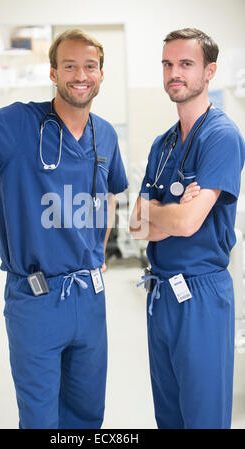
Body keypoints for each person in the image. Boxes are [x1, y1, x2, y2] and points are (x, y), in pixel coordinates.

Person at [0, 28, 128, 429]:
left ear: (101, 74)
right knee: (40, 418)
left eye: (90, 66)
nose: (80, 74)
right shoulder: (20, 123)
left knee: (87, 415)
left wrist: (98, 251)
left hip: (90, 298)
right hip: (36, 299)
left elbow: (111, 193)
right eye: (69, 66)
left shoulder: (106, 135)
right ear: (52, 72)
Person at [130, 28, 245, 429]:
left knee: (202, 418)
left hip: (200, 295)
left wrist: (164, 213)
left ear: (209, 71)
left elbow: (188, 221)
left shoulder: (222, 137)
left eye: (185, 64)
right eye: (167, 64)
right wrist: (169, 213)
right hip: (160, 292)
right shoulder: (162, 145)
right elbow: (135, 223)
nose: (173, 73)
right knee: (170, 417)